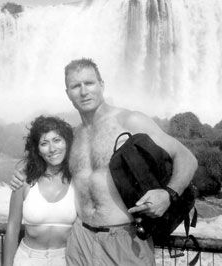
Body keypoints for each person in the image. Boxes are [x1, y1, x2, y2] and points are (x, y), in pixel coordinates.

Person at [10, 58, 198, 266]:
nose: (83, 91)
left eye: (89, 83)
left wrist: (168, 194)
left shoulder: (129, 121)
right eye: (75, 86)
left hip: (125, 240)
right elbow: (46, 160)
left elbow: (186, 157)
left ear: (102, 85)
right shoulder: (73, 137)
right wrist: (21, 171)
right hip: (80, 241)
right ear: (68, 94)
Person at [3, 115, 77, 266]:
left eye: (57, 140)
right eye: (44, 143)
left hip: (66, 259)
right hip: (27, 259)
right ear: (37, 149)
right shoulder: (24, 181)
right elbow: (12, 227)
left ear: (67, 143)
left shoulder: (78, 181)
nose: (52, 149)